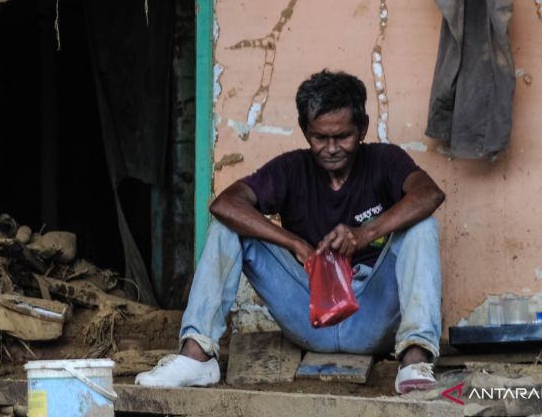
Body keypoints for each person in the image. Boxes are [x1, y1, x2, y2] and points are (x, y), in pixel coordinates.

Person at [136, 70, 445, 395]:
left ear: (363, 127)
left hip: (374, 317)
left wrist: (365, 234)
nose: (331, 148)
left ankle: (414, 361)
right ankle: (197, 357)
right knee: (228, 225)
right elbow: (225, 204)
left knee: (421, 223)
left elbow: (430, 194)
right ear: (304, 131)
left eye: (343, 137)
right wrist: (295, 243)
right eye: (319, 138)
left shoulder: (385, 160)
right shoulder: (291, 168)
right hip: (311, 315)